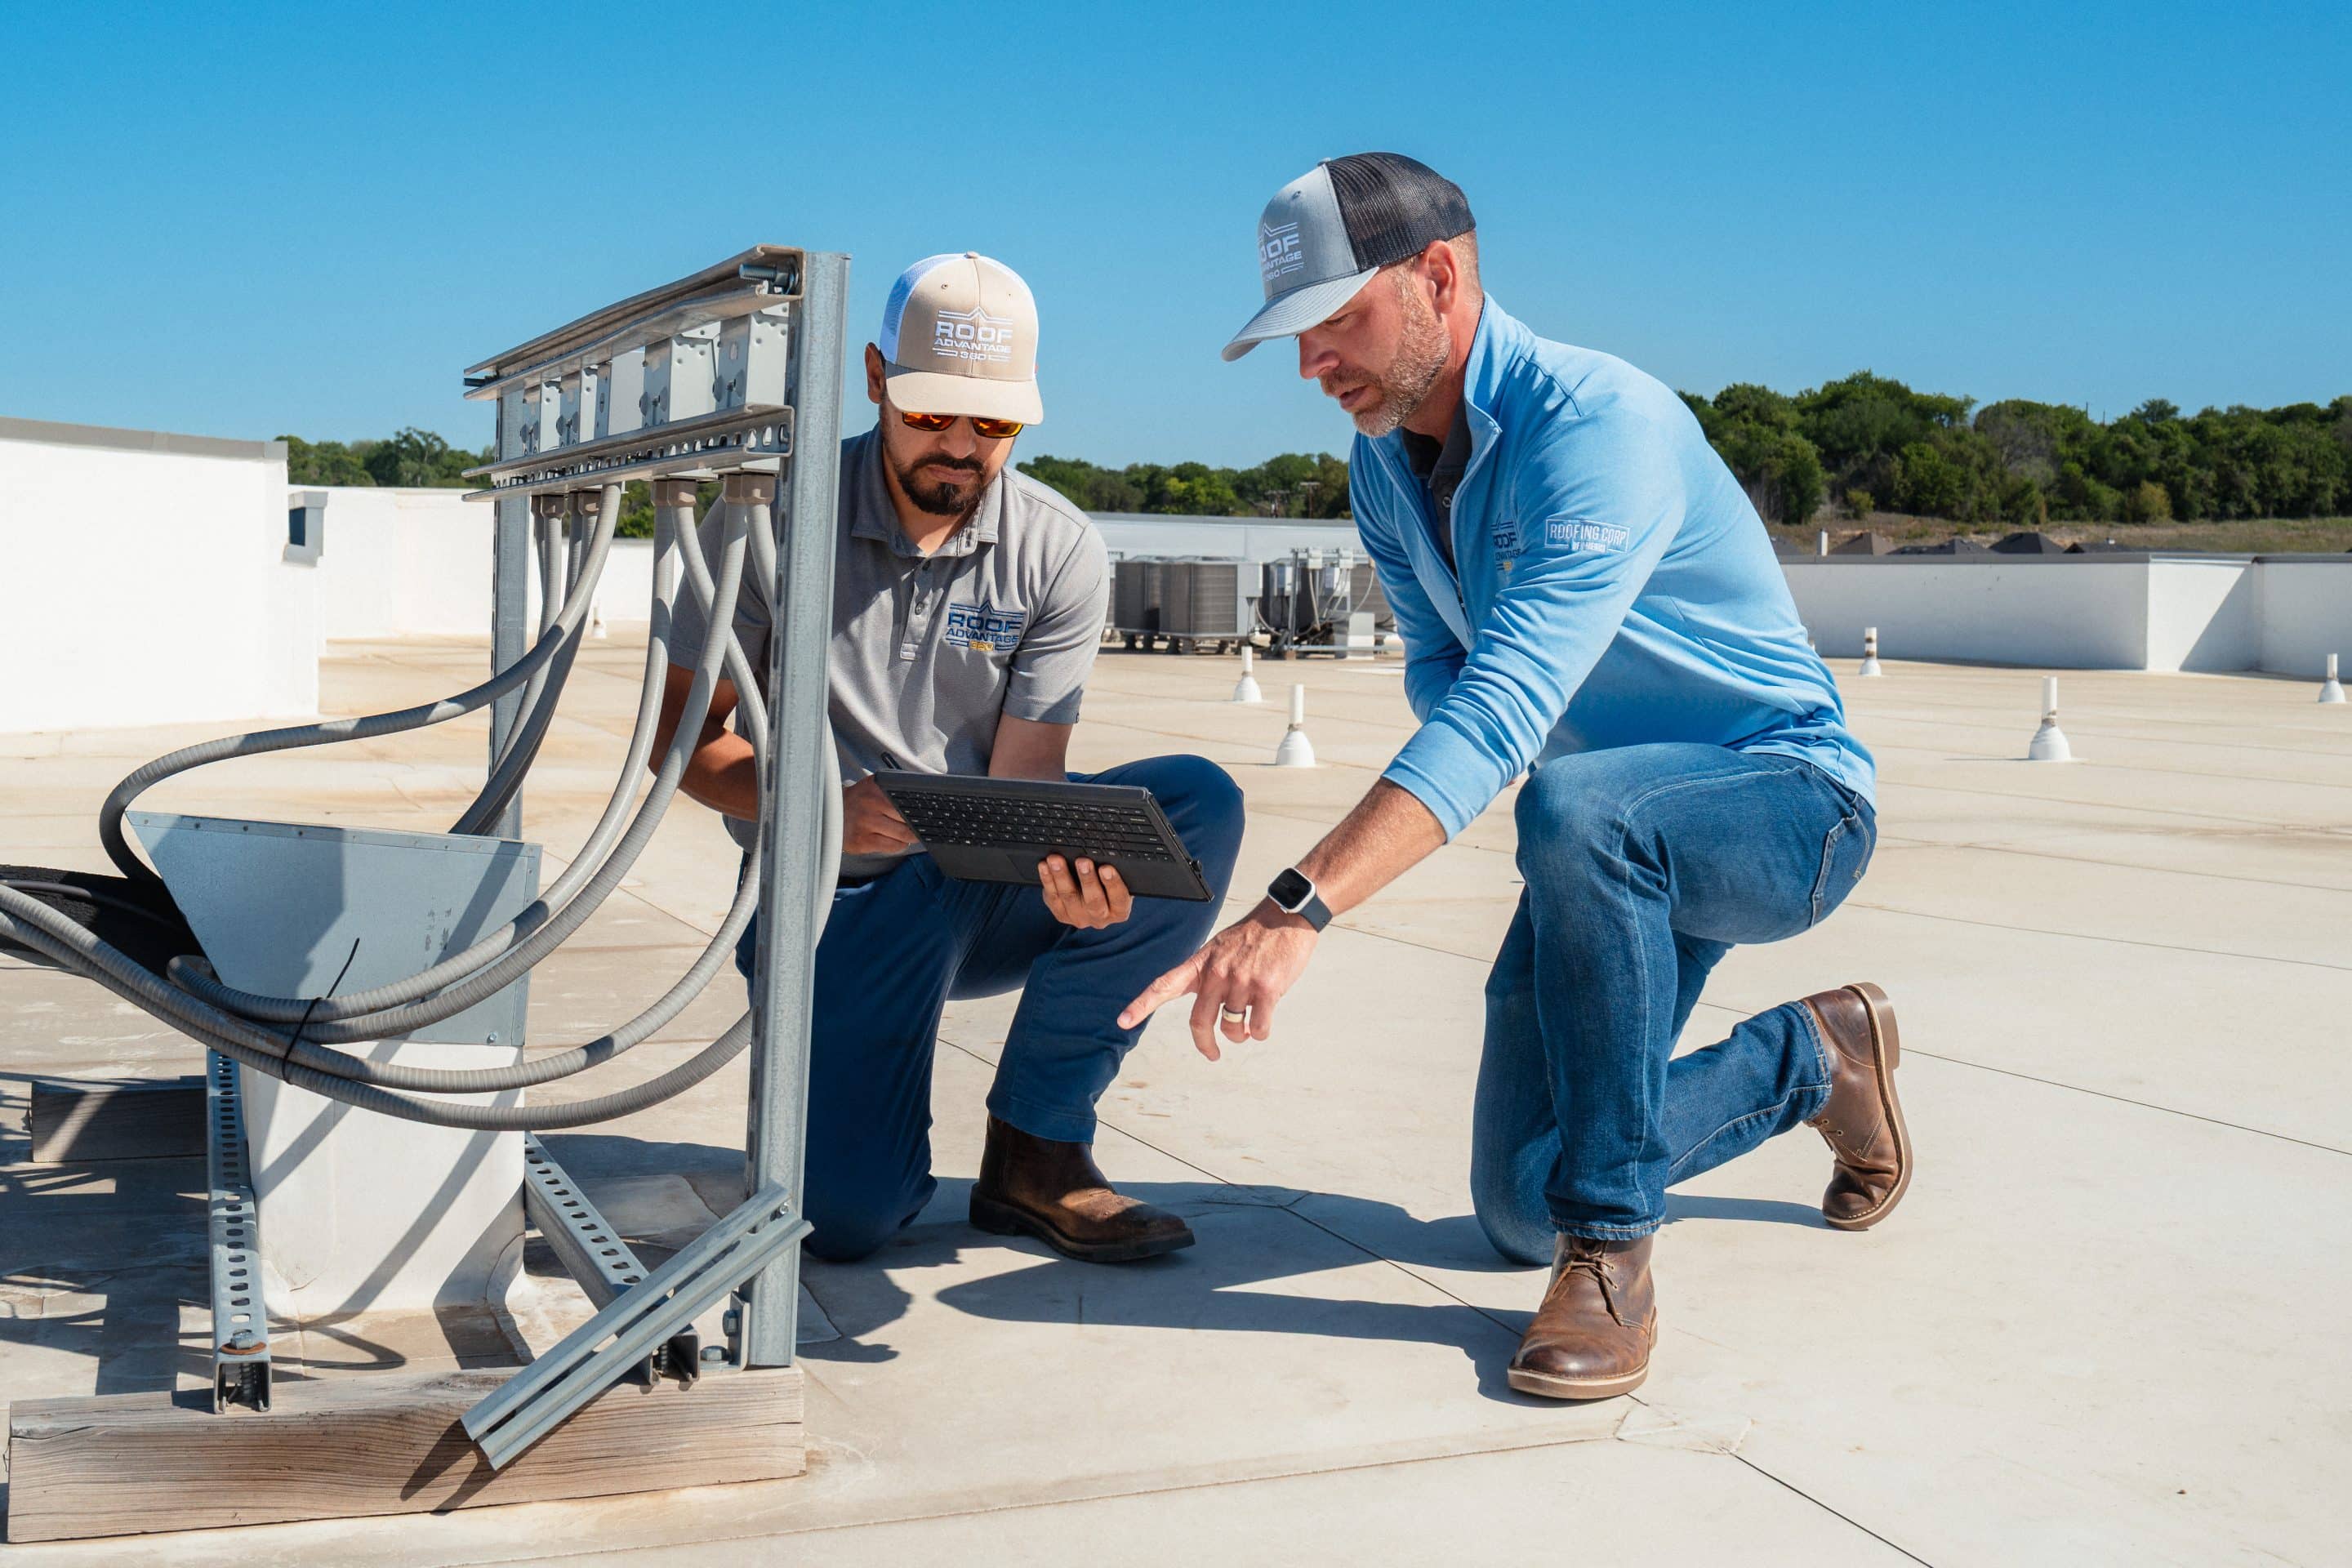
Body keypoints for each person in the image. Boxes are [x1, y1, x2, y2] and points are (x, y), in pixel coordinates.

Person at [1123, 155, 1909, 1396]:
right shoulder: (1382, 467)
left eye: (1337, 320)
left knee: (1575, 810)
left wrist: (1297, 905)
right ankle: (1816, 1059)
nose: (1311, 363)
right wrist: (1486, 777)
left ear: (1438, 277)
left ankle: (1613, 1254)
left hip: (1785, 802)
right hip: (1603, 839)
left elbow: (1507, 705)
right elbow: (1446, 673)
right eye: (1293, 335)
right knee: (1511, 1207)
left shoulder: (1601, 426)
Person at [657, 252, 1244, 1264]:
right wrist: (818, 807)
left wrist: (1068, 877)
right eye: (933, 414)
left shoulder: (1057, 547)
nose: (964, 446)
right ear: (876, 378)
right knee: (847, 1221)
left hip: (974, 877)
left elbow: (1026, 780)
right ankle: (837, 1106)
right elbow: (685, 745)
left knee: (1196, 804)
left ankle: (1038, 1151)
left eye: (995, 424)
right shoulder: (768, 519)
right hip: (834, 898)